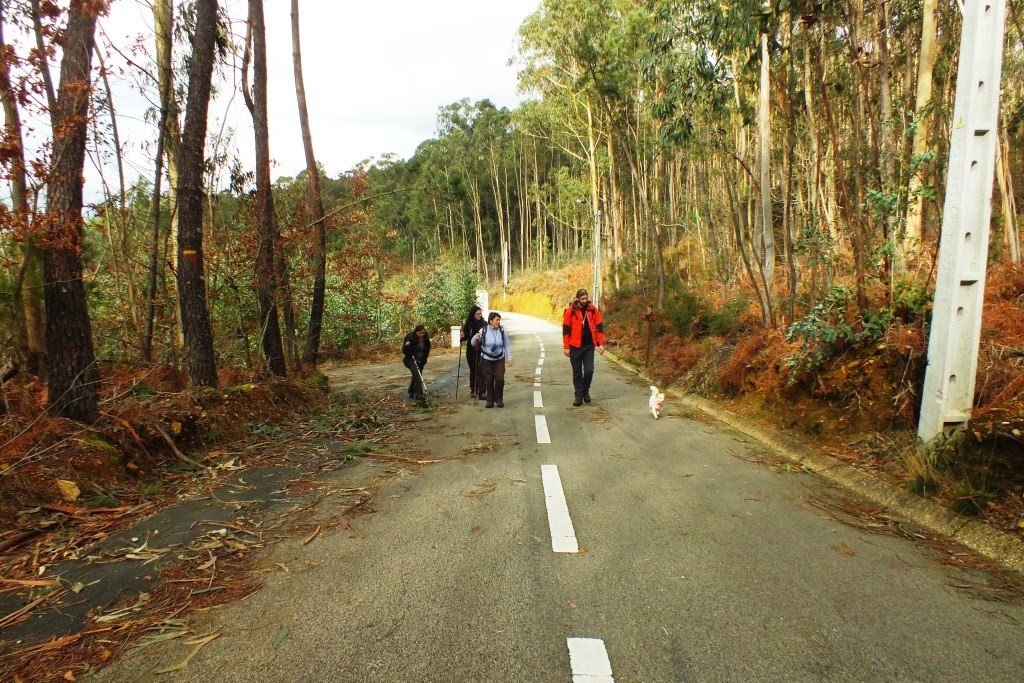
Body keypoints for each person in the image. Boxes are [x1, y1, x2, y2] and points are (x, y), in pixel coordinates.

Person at [562, 288, 605, 407]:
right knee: (577, 373)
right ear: (577, 299)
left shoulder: (593, 310)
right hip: (575, 346)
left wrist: (600, 344)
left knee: (589, 370)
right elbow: (566, 329)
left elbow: (599, 327)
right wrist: (566, 347)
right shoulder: (571, 311)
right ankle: (578, 395)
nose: (585, 300)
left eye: (586, 298)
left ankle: (586, 391)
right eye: (582, 299)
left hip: (589, 346)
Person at [471, 311, 512, 408]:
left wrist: (509, 358)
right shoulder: (483, 330)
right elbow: (473, 343)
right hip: (487, 359)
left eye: (499, 320)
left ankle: (499, 399)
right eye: (496, 320)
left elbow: (507, 345)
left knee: (500, 379)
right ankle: (490, 400)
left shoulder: (501, 331)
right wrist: (476, 338)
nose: (498, 322)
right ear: (490, 321)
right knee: (489, 380)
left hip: (499, 358)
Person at [461, 305, 487, 400]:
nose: (480, 315)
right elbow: (466, 337)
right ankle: (473, 390)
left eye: (480, 313)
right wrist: (461, 338)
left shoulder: (484, 323)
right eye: (478, 314)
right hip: (471, 351)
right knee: (473, 371)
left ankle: (482, 392)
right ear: (473, 314)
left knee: (482, 371)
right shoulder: (468, 324)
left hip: (482, 350)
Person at [402, 324, 431, 400]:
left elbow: (427, 350)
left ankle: (411, 391)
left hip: (421, 360)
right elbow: (404, 351)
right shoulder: (410, 337)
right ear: (416, 332)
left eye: (423, 333)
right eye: (419, 333)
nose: (421, 335)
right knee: (417, 374)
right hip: (410, 359)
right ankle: (419, 394)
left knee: (417, 375)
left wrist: (424, 359)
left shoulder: (426, 338)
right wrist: (406, 346)